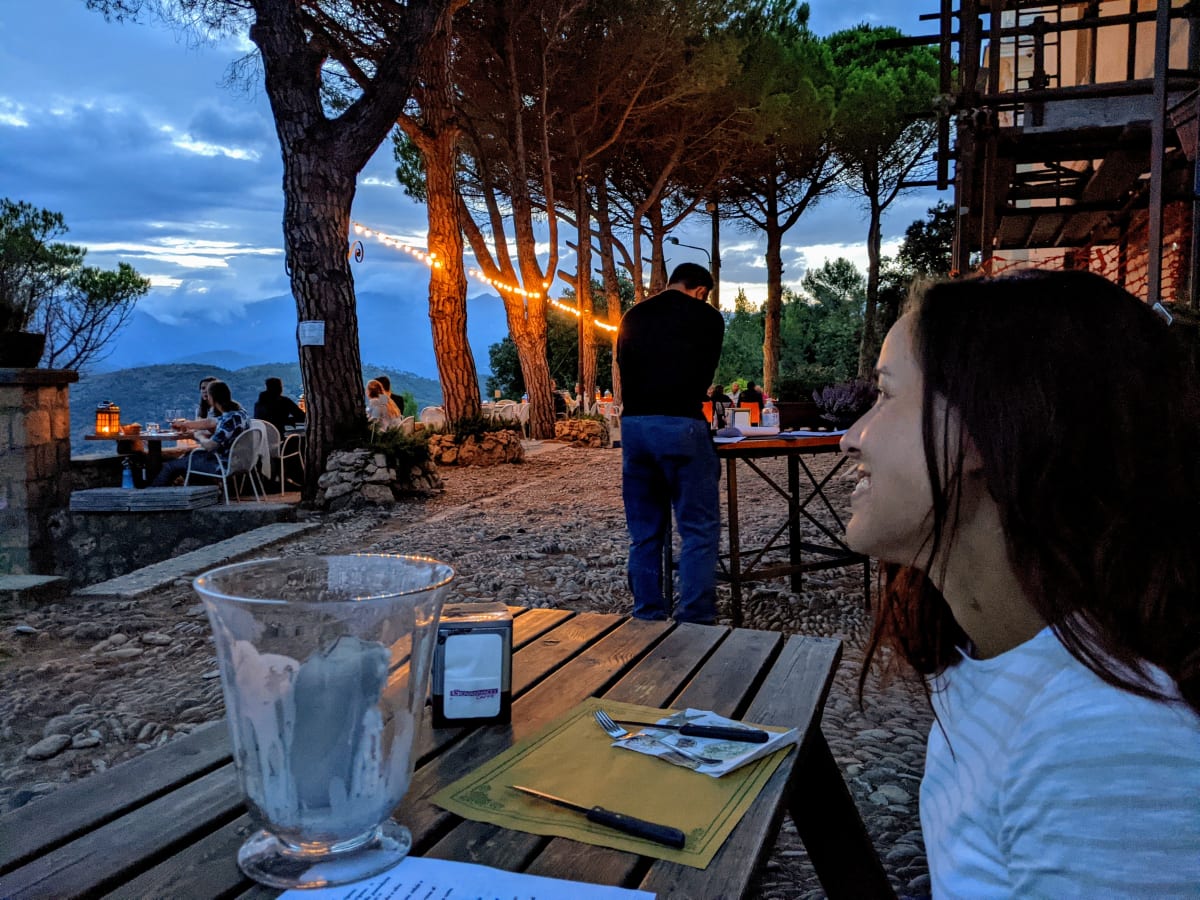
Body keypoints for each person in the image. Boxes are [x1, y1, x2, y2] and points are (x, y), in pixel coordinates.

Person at [840, 270, 1200, 897]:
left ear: (983, 429)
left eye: (885, 394)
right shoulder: (982, 655)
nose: (850, 438)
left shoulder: (1106, 738)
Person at [616, 263, 725, 624]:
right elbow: (704, 374)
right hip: (682, 425)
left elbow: (624, 366)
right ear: (700, 291)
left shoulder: (633, 315)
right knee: (698, 529)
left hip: (635, 426)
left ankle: (647, 613)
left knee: (645, 532)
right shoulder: (707, 317)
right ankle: (694, 618)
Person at [152, 380, 251, 487]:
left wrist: (199, 436)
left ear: (212, 398)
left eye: (208, 395)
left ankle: (151, 493)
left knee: (169, 466)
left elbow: (210, 445)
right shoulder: (240, 413)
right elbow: (211, 422)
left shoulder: (228, 420)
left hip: (221, 464)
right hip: (240, 462)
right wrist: (185, 424)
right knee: (187, 457)